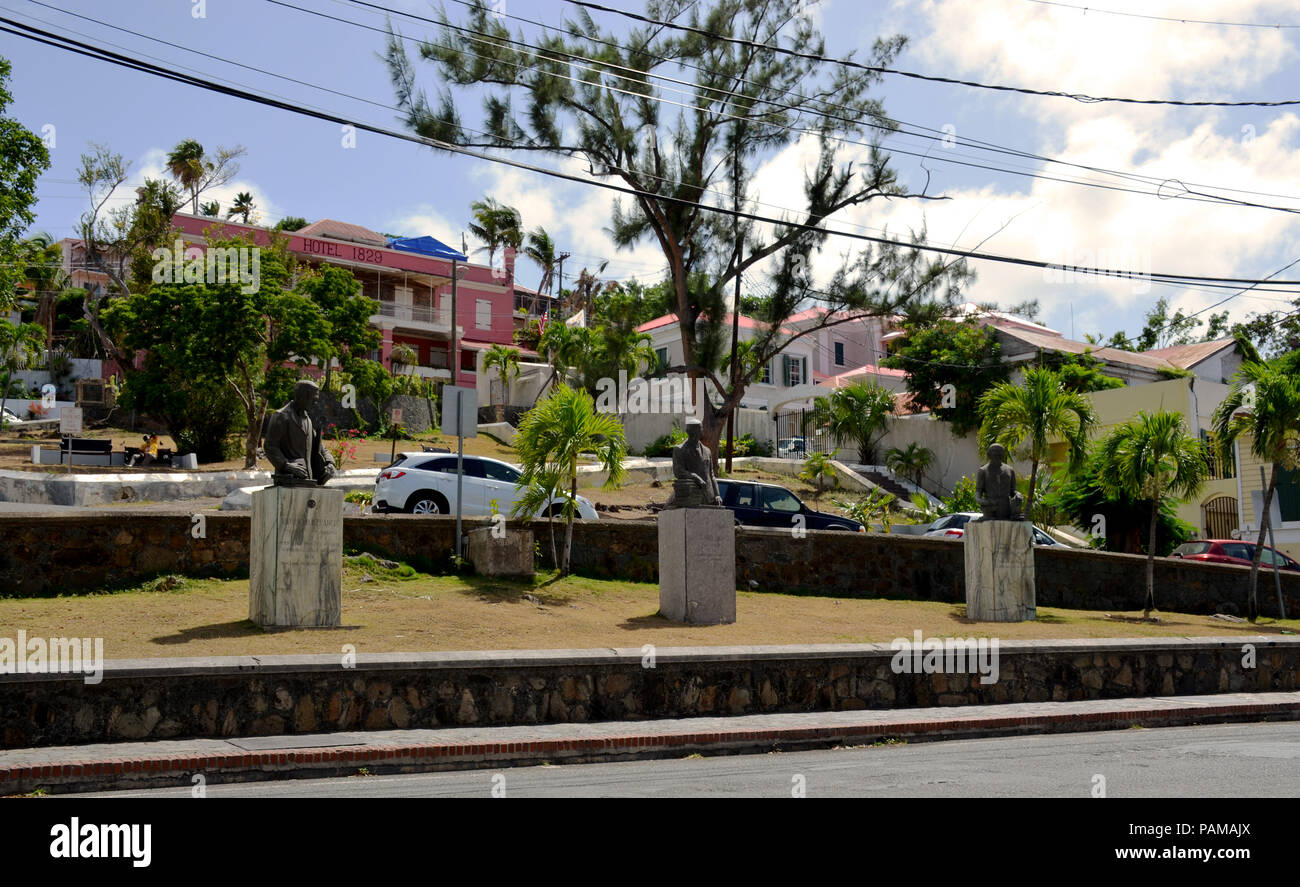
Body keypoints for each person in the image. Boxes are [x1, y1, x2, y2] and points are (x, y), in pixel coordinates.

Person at [264, 379, 336, 487]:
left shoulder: (307, 419)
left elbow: (319, 446)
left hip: (307, 479)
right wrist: (286, 465)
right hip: (287, 481)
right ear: (303, 396)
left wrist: (330, 462)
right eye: (313, 399)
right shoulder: (281, 416)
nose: (315, 403)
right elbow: (270, 446)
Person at [665, 417, 723, 508]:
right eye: (700, 428)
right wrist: (695, 477)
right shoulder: (680, 449)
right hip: (691, 495)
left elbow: (711, 475)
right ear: (691, 432)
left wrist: (717, 494)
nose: (702, 430)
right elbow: (678, 471)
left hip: (709, 496)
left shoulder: (707, 451)